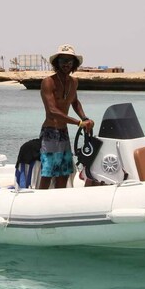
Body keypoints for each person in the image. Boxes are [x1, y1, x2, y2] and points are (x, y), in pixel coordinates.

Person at [38, 44, 93, 189]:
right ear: (57, 62)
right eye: (63, 60)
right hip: (50, 132)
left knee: (64, 172)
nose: (66, 64)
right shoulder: (48, 82)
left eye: (69, 61)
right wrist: (78, 123)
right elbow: (52, 111)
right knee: (48, 173)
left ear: (74, 64)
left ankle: (57, 202)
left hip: (63, 132)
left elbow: (74, 102)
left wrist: (85, 118)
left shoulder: (73, 82)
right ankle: (40, 201)